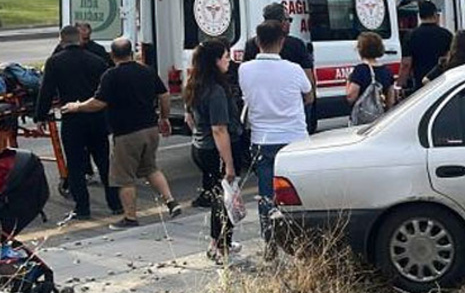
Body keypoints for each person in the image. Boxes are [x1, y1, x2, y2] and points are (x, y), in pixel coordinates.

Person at [61, 38, 181, 229]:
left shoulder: (111, 76)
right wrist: (164, 117)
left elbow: (98, 103)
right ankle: (171, 202)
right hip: (150, 129)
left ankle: (130, 217)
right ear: (131, 53)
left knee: (124, 177)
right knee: (150, 168)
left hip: (127, 133)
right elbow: (164, 95)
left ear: (112, 55)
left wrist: (77, 107)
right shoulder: (147, 71)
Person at [237, 21, 313, 248]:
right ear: (282, 42)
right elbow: (309, 96)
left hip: (262, 140)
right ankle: (298, 239)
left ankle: (270, 241)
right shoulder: (294, 69)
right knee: (298, 192)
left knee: (266, 194)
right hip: (294, 139)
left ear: (257, 42)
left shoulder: (245, 69)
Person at [35, 25, 122, 221]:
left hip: (72, 118)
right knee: (104, 161)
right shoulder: (97, 61)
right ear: (79, 39)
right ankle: (115, 203)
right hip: (96, 117)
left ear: (61, 39)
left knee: (75, 164)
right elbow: (107, 91)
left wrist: (40, 116)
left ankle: (83, 208)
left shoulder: (55, 62)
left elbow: (46, 91)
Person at [184, 40, 248, 264]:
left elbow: (189, 118)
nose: (229, 61)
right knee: (226, 200)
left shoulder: (194, 84)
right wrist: (229, 163)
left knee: (218, 199)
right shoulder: (216, 91)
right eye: (225, 56)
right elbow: (219, 129)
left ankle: (217, 244)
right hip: (216, 149)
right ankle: (222, 247)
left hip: (200, 147)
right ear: (215, 61)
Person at [243, 3, 317, 133]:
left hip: (262, 113)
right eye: (289, 20)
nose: (290, 23)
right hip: (293, 112)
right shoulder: (296, 45)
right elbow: (309, 82)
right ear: (282, 23)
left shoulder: (251, 45)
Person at [398, 1, 452, 93]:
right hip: (441, 83)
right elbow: (450, 59)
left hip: (420, 85)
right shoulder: (446, 35)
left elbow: (406, 64)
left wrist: (400, 85)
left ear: (419, 16)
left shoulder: (411, 35)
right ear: (435, 14)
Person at [347, 31, 397, 117]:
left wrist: (348, 82)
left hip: (363, 118)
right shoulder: (386, 71)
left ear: (361, 49)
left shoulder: (360, 70)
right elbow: (391, 101)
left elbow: (351, 97)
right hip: (380, 118)